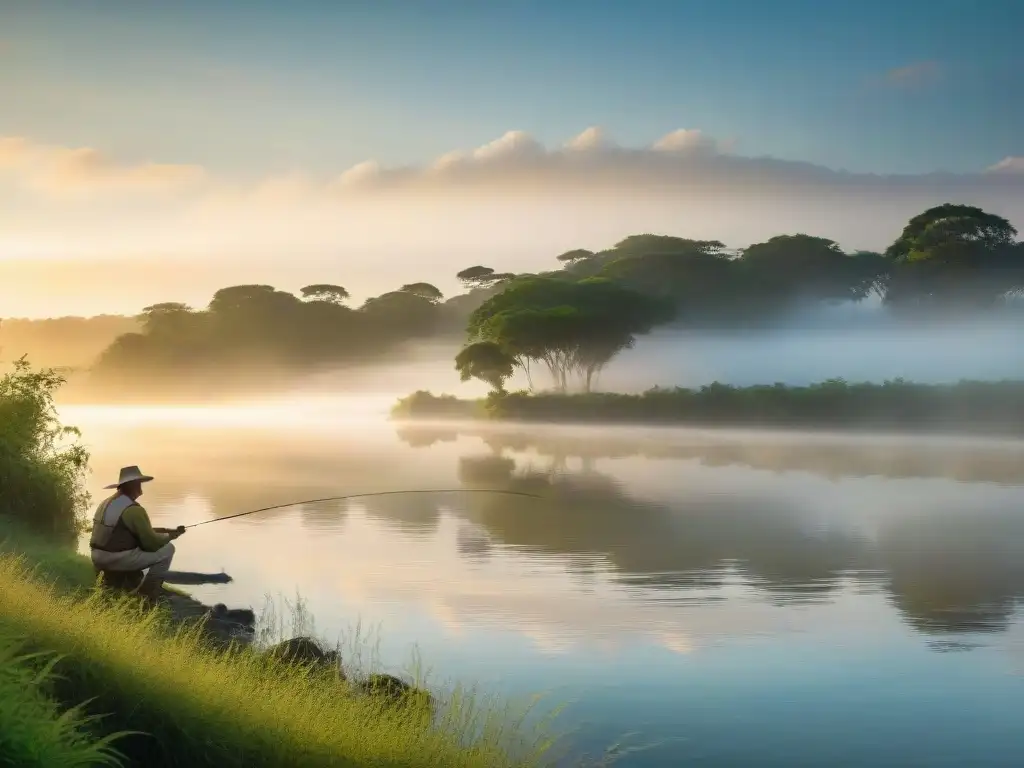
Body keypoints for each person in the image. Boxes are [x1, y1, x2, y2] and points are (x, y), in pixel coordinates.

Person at [89, 465, 185, 602]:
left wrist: (164, 531)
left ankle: (124, 585)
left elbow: (122, 530)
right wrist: (170, 536)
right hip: (114, 559)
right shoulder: (134, 509)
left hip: (97, 557)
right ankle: (147, 595)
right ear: (131, 486)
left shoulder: (107, 503)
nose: (141, 490)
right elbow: (151, 544)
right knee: (168, 549)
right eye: (139, 484)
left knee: (139, 550)